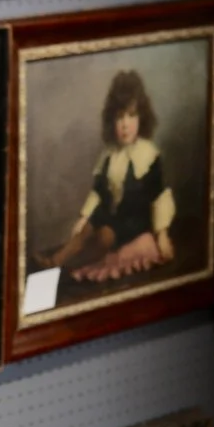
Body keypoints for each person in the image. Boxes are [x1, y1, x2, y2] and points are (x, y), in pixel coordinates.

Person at [34, 70, 176, 284]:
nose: (125, 124)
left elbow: (159, 196)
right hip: (113, 216)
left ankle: (70, 265)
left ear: (142, 118)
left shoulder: (149, 154)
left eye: (131, 116)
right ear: (112, 121)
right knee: (88, 227)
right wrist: (83, 218)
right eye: (119, 118)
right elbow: (98, 191)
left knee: (105, 235)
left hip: (135, 222)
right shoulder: (109, 155)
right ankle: (55, 260)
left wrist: (162, 233)